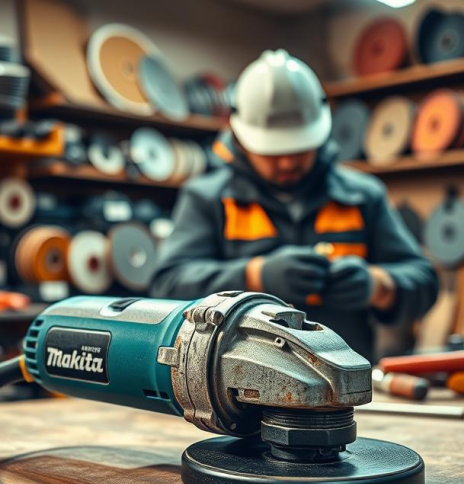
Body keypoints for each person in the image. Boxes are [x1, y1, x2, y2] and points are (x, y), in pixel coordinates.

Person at [150, 49, 438, 358]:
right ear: (241, 137)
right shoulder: (207, 198)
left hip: (344, 377)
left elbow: (424, 281)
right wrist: (255, 276)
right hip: (238, 379)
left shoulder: (362, 195)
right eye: (272, 151)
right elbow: (168, 285)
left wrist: (379, 286)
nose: (287, 162)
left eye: (300, 148)